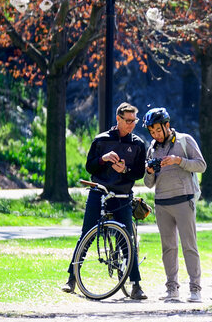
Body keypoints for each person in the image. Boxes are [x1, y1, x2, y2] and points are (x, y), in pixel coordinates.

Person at [61, 102, 148, 299]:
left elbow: (139, 173)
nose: (131, 125)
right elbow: (90, 167)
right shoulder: (101, 140)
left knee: (127, 239)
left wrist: (124, 170)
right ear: (118, 119)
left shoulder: (138, 144)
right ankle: (71, 279)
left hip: (123, 196)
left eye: (134, 121)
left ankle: (136, 285)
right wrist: (103, 159)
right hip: (99, 193)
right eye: (127, 121)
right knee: (86, 235)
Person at [142, 107, 206, 303]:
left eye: (158, 130)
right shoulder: (152, 148)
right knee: (168, 248)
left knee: (189, 246)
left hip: (184, 200)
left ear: (167, 126)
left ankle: (195, 289)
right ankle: (172, 288)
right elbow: (148, 183)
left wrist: (179, 160)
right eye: (151, 132)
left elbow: (201, 165)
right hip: (162, 203)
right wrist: (149, 171)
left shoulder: (185, 140)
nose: (155, 135)